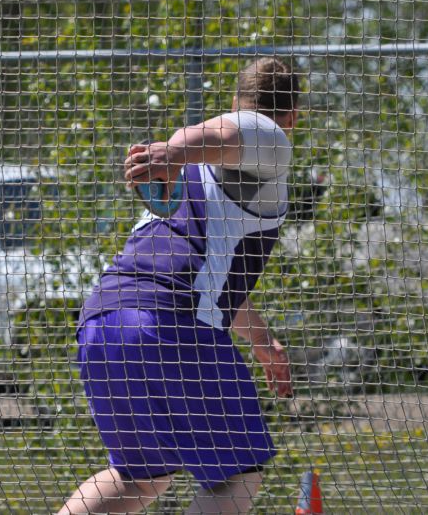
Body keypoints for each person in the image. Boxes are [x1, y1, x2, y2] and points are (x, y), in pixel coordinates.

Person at [59, 57, 301, 514]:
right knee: (237, 478)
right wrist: (169, 152)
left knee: (139, 477)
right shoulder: (273, 138)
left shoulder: (193, 176)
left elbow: (210, 272)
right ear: (292, 117)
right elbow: (222, 134)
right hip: (173, 324)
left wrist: (260, 337)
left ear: (234, 98)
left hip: (106, 317)